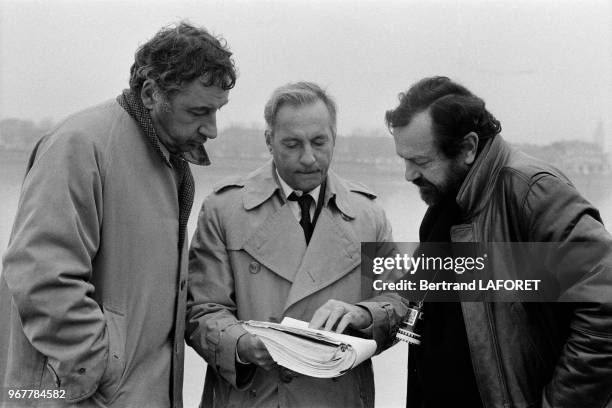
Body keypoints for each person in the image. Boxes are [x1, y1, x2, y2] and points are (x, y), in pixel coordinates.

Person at [0, 22, 236, 408]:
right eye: (199, 111)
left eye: (216, 111)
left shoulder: (167, 157)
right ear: (150, 93)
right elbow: (40, 273)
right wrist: (98, 370)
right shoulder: (78, 145)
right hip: (77, 397)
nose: (212, 128)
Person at [382, 76, 612, 407]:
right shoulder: (446, 198)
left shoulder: (532, 191)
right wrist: (369, 316)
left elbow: (604, 301)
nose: (408, 175)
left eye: (420, 161)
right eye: (404, 160)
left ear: (468, 147)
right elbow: (416, 288)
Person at [186, 81, 408, 408]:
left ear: (335, 138)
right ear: (269, 141)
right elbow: (201, 309)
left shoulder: (368, 214)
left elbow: (401, 300)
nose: (308, 158)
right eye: (292, 144)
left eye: (319, 142)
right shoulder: (223, 209)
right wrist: (242, 345)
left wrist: (363, 315)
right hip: (253, 398)